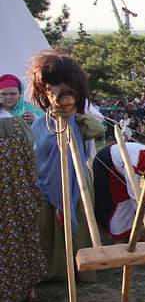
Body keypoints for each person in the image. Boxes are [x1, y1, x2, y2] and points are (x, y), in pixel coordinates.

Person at [29, 50, 105, 283]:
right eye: (51, 87)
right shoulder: (42, 123)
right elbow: (38, 151)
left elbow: (97, 131)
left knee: (79, 225)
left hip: (77, 182)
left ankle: (80, 268)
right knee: (49, 227)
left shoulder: (82, 119)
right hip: (47, 182)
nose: (57, 91)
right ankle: (53, 270)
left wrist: (77, 117)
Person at [0, 101, 46, 302]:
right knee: (23, 239)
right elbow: (35, 159)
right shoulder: (21, 125)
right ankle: (28, 290)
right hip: (21, 194)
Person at [92, 142, 145, 242]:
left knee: (128, 203)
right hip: (107, 165)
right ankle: (117, 235)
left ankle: (129, 231)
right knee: (118, 200)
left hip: (121, 166)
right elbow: (135, 195)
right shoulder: (134, 165)